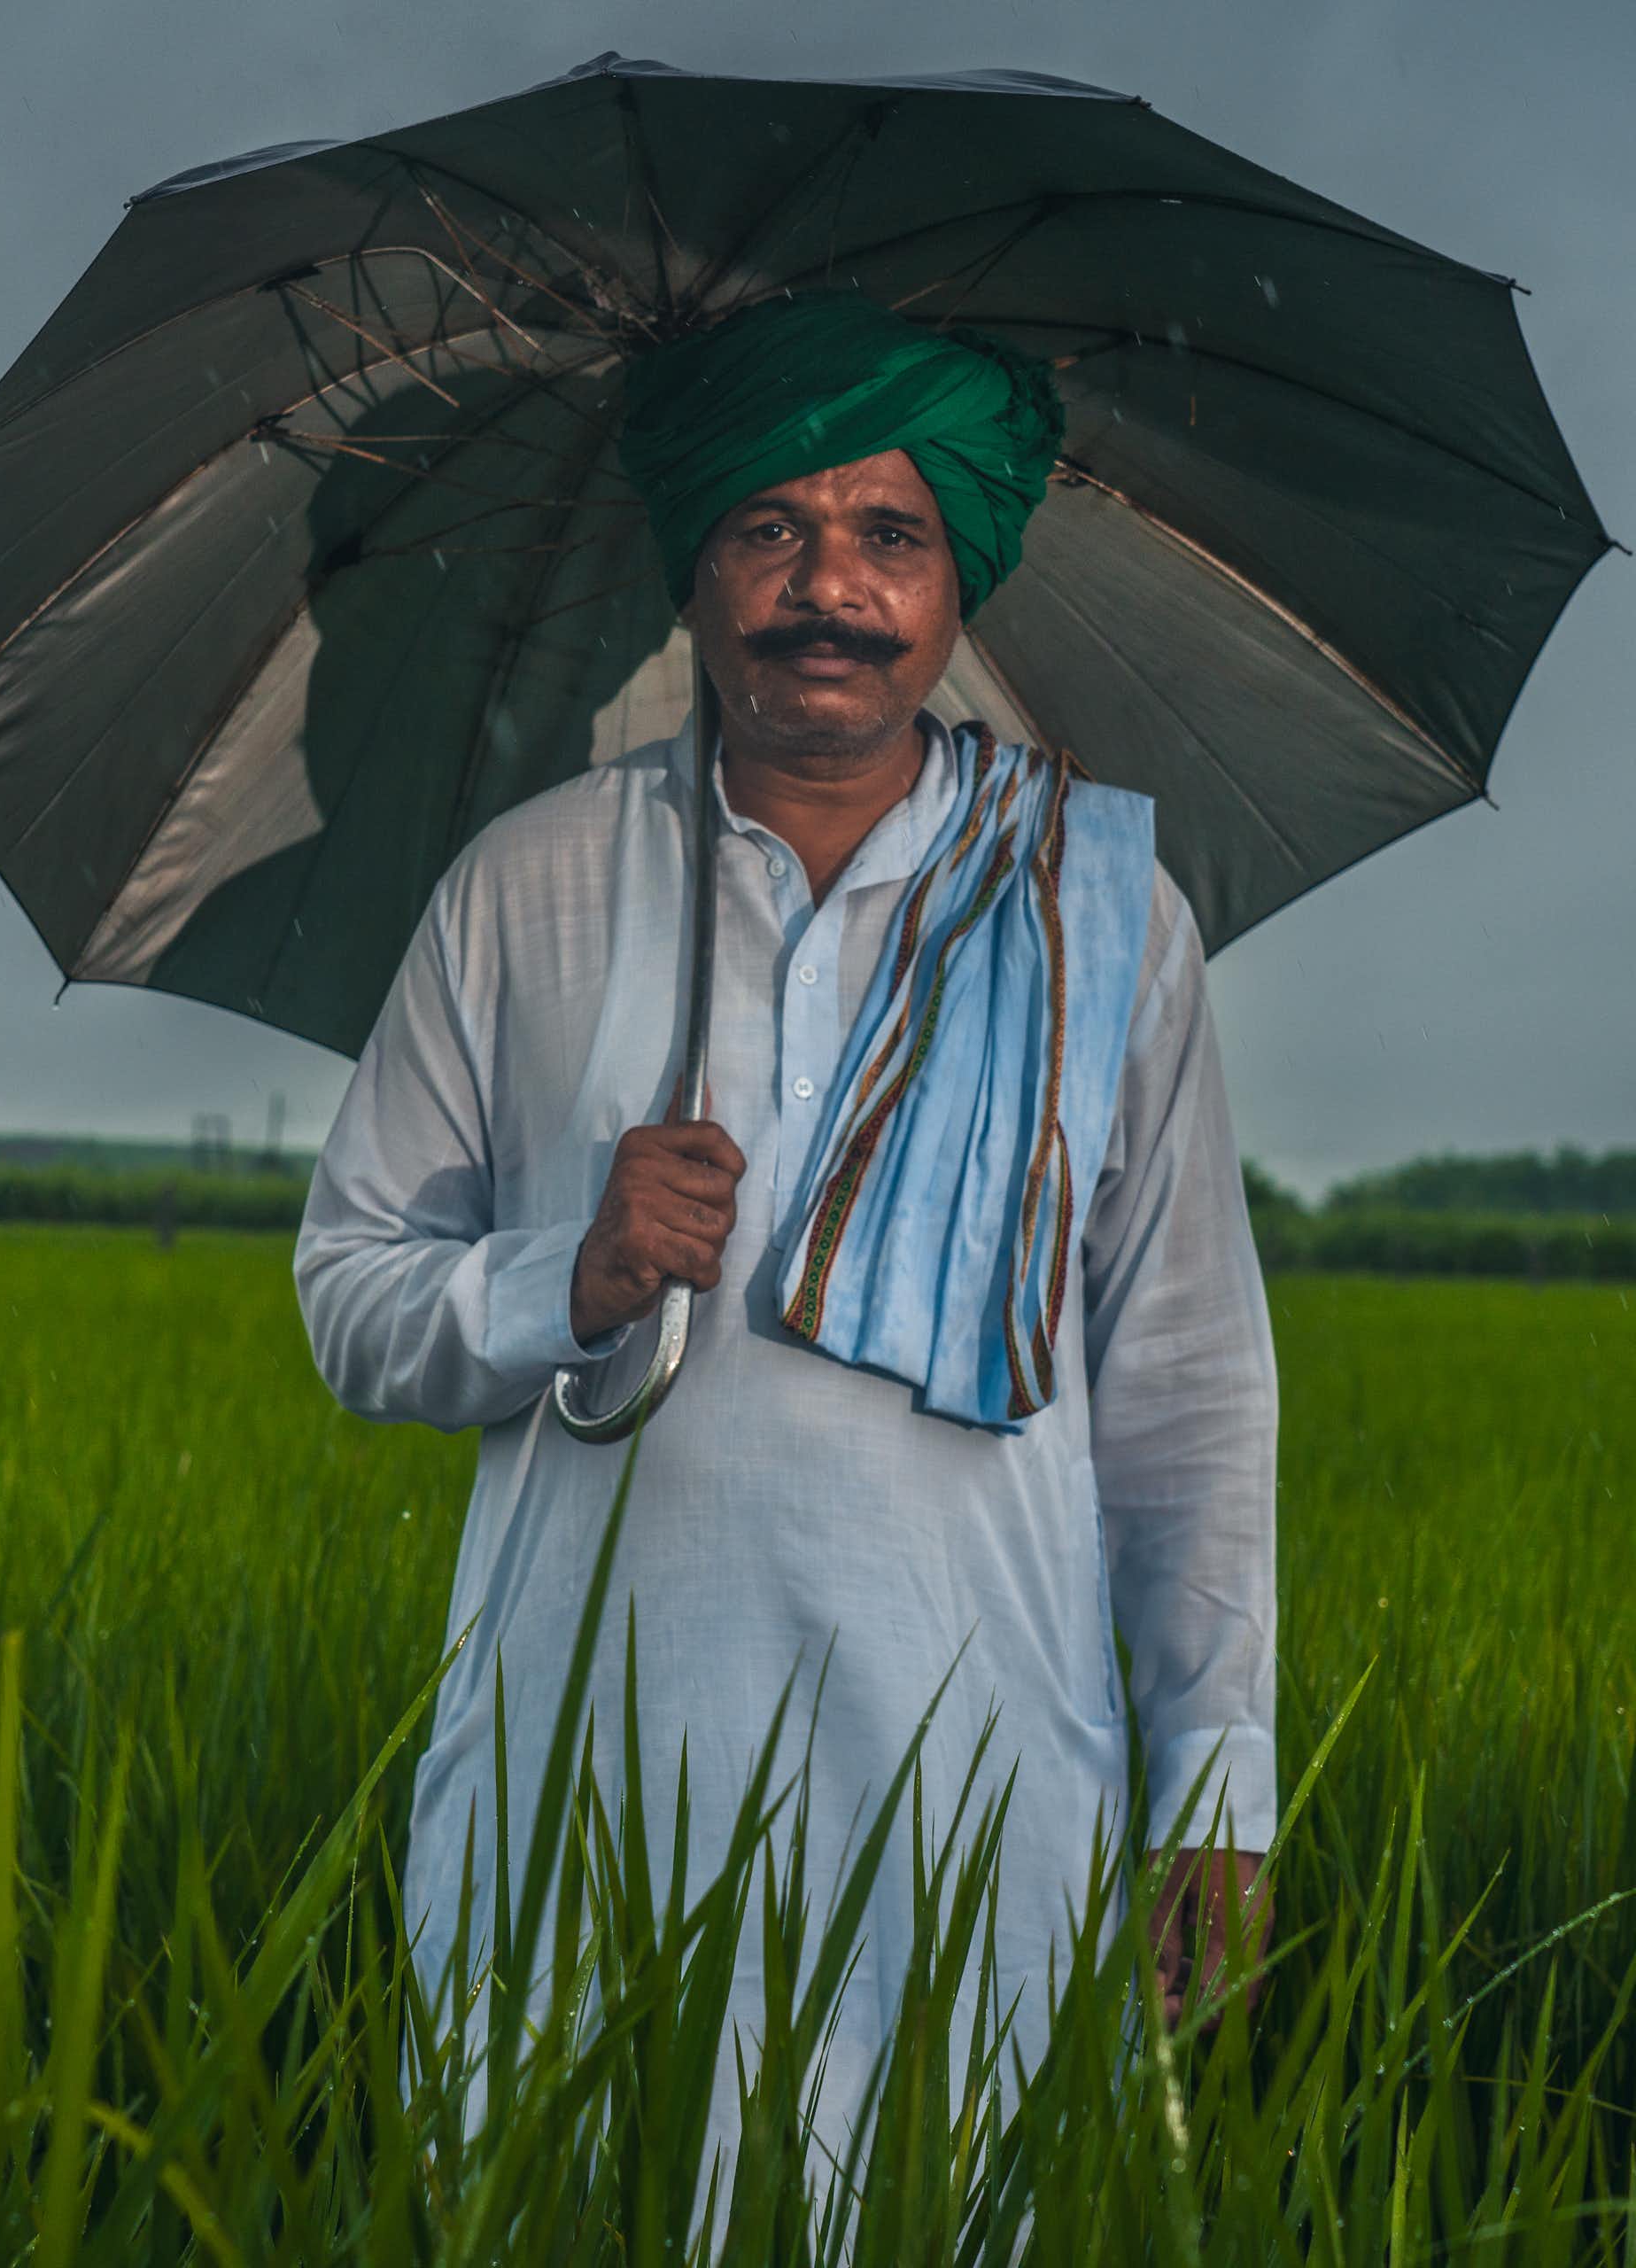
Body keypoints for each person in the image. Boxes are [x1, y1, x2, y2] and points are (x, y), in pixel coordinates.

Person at [292, 291, 1277, 2205]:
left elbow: (1185, 1387)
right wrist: (551, 1277)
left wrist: (1217, 1785)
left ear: (955, 576)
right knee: (565, 2198)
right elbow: (349, 1294)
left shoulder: (1104, 912)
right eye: (767, 526)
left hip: (974, 1782)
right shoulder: (530, 880)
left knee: (934, 2205)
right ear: (694, 563)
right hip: (578, 1780)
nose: (825, 586)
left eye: (888, 533)